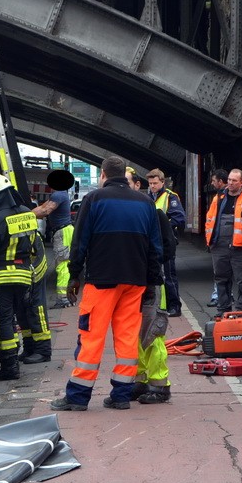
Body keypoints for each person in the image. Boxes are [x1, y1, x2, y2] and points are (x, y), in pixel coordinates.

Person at [51, 156, 162, 411]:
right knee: (126, 338)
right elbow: (155, 247)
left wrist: (74, 275)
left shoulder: (94, 199)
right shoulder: (146, 202)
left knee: (91, 337)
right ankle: (121, 395)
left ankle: (78, 397)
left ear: (103, 174)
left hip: (101, 280)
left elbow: (79, 242)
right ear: (125, 175)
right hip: (135, 280)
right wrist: (152, 281)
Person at [0, 173, 51, 379]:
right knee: (21, 314)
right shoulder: (27, 214)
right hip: (24, 276)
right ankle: (25, 352)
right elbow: (33, 245)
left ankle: (10, 368)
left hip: (2, 278)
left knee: (4, 320)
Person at [127, 167, 175, 404]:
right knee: (136, 335)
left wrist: (150, 270)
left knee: (153, 334)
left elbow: (168, 248)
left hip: (151, 283)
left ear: (137, 185)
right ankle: (141, 380)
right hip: (133, 283)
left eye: (127, 183)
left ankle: (159, 385)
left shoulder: (155, 213)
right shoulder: (131, 214)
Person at [204, 169, 242, 315]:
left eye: (234, 180)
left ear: (241, 182)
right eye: (229, 180)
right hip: (219, 246)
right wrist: (211, 241)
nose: (230, 183)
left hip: (240, 248)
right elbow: (210, 219)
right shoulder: (218, 199)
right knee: (221, 279)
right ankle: (223, 310)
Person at [32, 169, 75, 309]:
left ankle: (62, 298)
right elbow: (43, 207)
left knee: (62, 265)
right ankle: (65, 297)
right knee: (63, 264)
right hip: (64, 231)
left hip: (62, 231)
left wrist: (24, 215)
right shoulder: (58, 194)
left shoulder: (59, 194)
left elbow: (45, 211)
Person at [146, 168, 186, 317]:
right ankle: (161, 304)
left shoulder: (170, 197)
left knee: (169, 275)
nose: (152, 186)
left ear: (162, 182)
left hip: (167, 241)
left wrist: (164, 227)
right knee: (156, 274)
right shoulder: (148, 197)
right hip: (153, 242)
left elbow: (180, 218)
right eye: (150, 183)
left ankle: (175, 306)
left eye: (155, 183)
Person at [206, 169, 229, 308]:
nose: (212, 183)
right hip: (217, 240)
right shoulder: (218, 197)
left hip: (222, 241)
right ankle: (222, 296)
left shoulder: (224, 197)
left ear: (220, 181)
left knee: (221, 272)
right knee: (222, 272)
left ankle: (220, 297)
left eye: (214, 181)